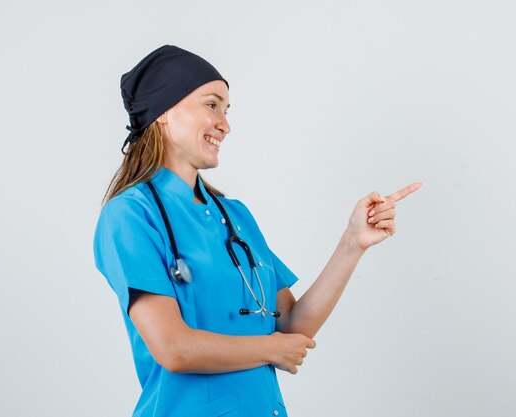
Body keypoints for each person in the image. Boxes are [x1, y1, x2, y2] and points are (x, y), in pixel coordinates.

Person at [93, 44, 422, 417]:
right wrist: (269, 350)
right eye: (212, 105)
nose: (225, 124)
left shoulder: (234, 216)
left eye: (226, 110)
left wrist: (353, 242)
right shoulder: (131, 216)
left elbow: (291, 326)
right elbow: (173, 348)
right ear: (165, 111)